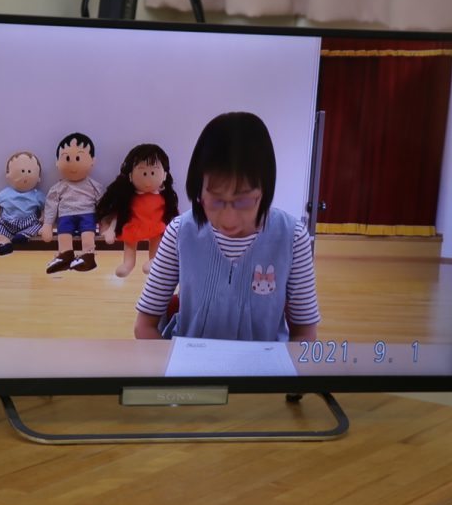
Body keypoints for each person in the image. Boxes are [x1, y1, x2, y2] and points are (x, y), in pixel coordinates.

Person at [134, 112, 320, 342]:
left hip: (265, 362)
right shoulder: (180, 232)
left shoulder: (293, 238)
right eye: (215, 200)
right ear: (198, 191)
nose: (228, 218)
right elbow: (144, 325)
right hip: (190, 361)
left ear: (265, 191)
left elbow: (305, 333)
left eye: (243, 201)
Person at [95, 143, 179, 278]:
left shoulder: (164, 197)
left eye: (153, 173)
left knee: (157, 241)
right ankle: (128, 263)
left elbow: (172, 213)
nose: (148, 180)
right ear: (130, 176)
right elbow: (119, 213)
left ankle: (154, 260)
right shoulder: (128, 197)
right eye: (144, 173)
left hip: (156, 226)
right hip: (134, 225)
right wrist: (111, 229)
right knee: (130, 242)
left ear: (164, 175)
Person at [40, 132, 104, 273]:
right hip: (65, 215)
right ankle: (65, 255)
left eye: (78, 158)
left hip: (87, 214)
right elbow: (51, 205)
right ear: (57, 162)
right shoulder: (58, 188)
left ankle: (88, 255)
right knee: (63, 232)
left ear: (92, 160)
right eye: (67, 158)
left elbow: (102, 204)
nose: (73, 164)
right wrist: (47, 224)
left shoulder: (94, 186)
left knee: (88, 233)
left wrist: (105, 223)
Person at [0, 151, 45, 255]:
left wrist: (43, 216)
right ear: (8, 174)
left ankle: (23, 235)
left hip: (28, 222)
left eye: (29, 171)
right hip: (7, 221)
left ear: (38, 177)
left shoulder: (37, 195)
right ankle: (5, 243)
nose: (25, 174)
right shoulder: (4, 193)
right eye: (22, 171)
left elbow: (45, 206)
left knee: (38, 226)